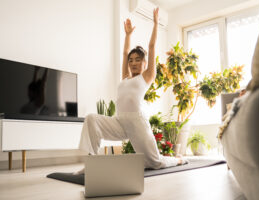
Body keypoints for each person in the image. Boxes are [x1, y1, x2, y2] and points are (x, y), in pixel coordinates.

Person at [74, 8, 187, 175]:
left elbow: (152, 45)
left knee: (155, 163)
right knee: (92, 119)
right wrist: (127, 35)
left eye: (138, 60)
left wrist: (156, 23)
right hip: (119, 122)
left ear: (144, 63)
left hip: (137, 124)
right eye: (131, 61)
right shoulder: (125, 77)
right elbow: (125, 52)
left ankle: (179, 159)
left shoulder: (146, 76)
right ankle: (92, 163)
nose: (133, 63)